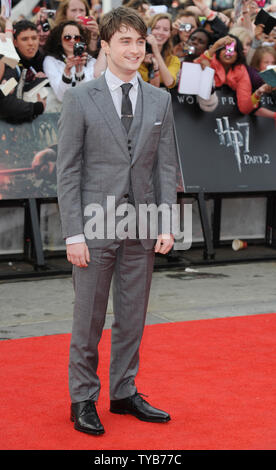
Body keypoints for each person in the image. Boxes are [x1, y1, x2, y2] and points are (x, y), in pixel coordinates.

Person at [57, 6, 178, 436]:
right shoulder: (79, 98)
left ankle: (124, 391)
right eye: (124, 41)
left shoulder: (160, 99)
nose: (134, 49)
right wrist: (73, 232)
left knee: (132, 315)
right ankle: (83, 398)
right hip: (92, 225)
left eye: (140, 42)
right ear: (105, 46)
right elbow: (68, 170)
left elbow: (165, 168)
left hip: (142, 224)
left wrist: (166, 223)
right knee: (87, 317)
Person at [195, 34, 271, 114]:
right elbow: (192, 72)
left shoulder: (241, 70)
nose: (228, 52)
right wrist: (215, 46)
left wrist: (258, 93)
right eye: (224, 48)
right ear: (218, 51)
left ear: (238, 53)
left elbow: (244, 108)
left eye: (233, 49)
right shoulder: (209, 61)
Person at [43, 20, 96, 105]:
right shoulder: (51, 61)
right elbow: (61, 97)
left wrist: (79, 71)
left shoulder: (91, 61)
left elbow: (88, 95)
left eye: (76, 38)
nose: (72, 40)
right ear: (60, 40)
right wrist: (67, 71)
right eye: (67, 37)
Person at [138, 13, 181, 88]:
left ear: (169, 34)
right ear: (149, 31)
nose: (160, 32)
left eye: (165, 30)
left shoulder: (173, 60)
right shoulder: (138, 56)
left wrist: (156, 52)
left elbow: (169, 82)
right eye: (157, 28)